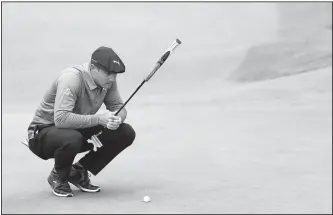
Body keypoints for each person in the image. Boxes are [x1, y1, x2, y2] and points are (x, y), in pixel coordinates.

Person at [24, 46, 136, 197]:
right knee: (72, 137)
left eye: (115, 74)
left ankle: (78, 171)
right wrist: (99, 119)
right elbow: (61, 119)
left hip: (75, 128)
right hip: (42, 134)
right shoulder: (71, 79)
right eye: (108, 73)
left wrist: (117, 118)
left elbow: (118, 107)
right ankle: (58, 175)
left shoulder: (107, 83)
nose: (112, 78)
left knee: (125, 132)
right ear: (92, 67)